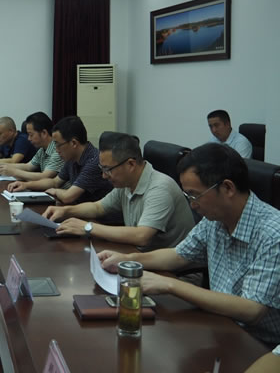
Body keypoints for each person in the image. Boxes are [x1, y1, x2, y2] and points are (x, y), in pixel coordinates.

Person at [98, 143, 280, 345]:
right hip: (221, 325)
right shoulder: (215, 220)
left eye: (195, 195)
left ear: (227, 188)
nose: (192, 205)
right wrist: (128, 260)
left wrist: (169, 285)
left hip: (260, 344)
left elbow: (252, 309)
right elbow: (178, 255)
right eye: (188, 196)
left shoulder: (273, 234)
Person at [43, 131, 194, 250]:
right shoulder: (126, 183)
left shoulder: (160, 188)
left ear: (130, 164)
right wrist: (65, 211)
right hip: (138, 257)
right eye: (102, 169)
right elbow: (98, 207)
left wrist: (87, 227)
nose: (104, 176)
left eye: (108, 169)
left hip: (171, 273)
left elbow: (141, 236)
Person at [7, 116, 112, 205]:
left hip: (98, 217)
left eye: (58, 144)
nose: (56, 150)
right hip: (79, 209)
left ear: (73, 143)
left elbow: (68, 196)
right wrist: (25, 185)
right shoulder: (72, 158)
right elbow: (55, 182)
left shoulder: (93, 161)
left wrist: (55, 192)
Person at [0, 112, 64, 181]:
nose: (29, 138)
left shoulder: (58, 150)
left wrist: (14, 172)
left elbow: (45, 176)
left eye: (31, 135)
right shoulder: (42, 150)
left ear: (44, 133)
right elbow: (28, 166)